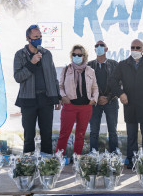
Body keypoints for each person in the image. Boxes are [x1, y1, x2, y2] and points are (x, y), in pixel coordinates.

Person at [110, 39, 143, 168]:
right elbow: (112, 81)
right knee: (131, 136)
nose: (135, 50)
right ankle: (132, 161)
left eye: (138, 48)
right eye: (133, 47)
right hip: (129, 104)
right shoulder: (122, 64)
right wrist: (120, 94)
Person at [13, 24, 61, 154]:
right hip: (28, 99)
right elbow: (18, 77)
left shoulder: (46, 54)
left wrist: (57, 96)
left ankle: (47, 163)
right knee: (29, 135)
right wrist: (31, 63)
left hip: (46, 99)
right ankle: (28, 162)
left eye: (40, 37)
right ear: (28, 38)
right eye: (35, 37)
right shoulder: (20, 55)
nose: (38, 40)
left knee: (47, 134)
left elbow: (53, 76)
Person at [55, 45, 98, 156]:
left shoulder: (90, 71)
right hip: (70, 106)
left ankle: (77, 159)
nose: (77, 57)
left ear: (84, 56)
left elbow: (95, 87)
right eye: (74, 54)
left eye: (79, 55)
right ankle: (58, 159)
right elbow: (60, 86)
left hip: (85, 107)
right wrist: (63, 97)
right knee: (64, 134)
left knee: (80, 134)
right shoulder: (66, 69)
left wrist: (94, 99)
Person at [87, 40, 119, 153]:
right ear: (94, 49)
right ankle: (93, 155)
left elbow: (119, 83)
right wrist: (96, 98)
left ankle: (114, 156)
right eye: (97, 46)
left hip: (111, 101)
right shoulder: (89, 65)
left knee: (113, 131)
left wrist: (108, 98)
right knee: (94, 131)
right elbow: (86, 85)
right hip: (95, 102)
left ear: (106, 49)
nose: (99, 47)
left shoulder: (114, 64)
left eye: (102, 45)